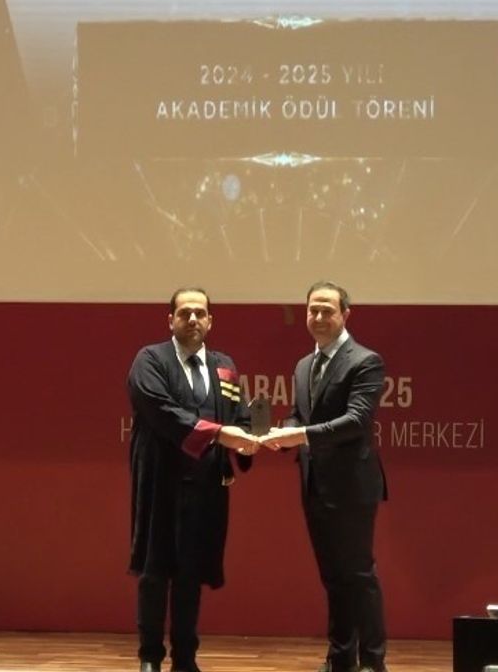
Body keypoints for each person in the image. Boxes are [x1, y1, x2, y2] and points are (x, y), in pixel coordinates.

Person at [127, 287, 259, 672]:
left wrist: (249, 440)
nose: (193, 319)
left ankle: (185, 659)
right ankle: (150, 658)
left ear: (210, 321)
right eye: (184, 312)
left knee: (191, 573)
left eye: (200, 313)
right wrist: (220, 434)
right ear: (170, 320)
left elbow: (238, 414)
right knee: (155, 572)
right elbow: (162, 412)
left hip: (206, 487)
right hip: (160, 483)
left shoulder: (224, 367)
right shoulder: (150, 360)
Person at [262, 281, 389, 672]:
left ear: (345, 314)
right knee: (333, 578)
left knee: (359, 576)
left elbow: (356, 421)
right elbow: (298, 416)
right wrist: (277, 434)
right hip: (314, 484)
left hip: (352, 487)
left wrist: (298, 435)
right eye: (312, 310)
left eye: (327, 310)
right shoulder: (304, 365)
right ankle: (339, 659)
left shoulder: (365, 361)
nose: (318, 317)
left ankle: (372, 662)